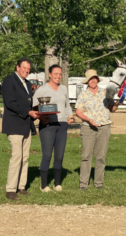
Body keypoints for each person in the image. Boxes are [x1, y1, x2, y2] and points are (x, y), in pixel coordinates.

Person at [2, 57, 39, 200]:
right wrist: (27, 112)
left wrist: (35, 113)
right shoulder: (9, 81)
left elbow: (28, 104)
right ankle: (10, 189)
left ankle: (21, 186)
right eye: (24, 67)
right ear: (17, 67)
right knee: (16, 157)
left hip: (26, 125)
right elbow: (10, 103)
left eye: (29, 68)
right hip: (14, 124)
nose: (27, 70)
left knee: (25, 157)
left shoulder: (28, 83)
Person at [33, 64, 75, 192]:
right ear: (49, 74)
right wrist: (42, 118)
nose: (58, 76)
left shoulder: (64, 89)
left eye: (60, 74)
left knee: (59, 155)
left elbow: (67, 105)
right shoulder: (42, 90)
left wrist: (71, 116)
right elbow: (35, 107)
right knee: (46, 155)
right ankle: (44, 185)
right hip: (47, 125)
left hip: (62, 125)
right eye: (55, 73)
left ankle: (57, 184)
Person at [75, 69, 119, 190]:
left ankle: (99, 183)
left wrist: (116, 104)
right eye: (90, 79)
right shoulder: (83, 95)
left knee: (101, 156)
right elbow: (78, 112)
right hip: (88, 128)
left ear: (97, 80)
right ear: (87, 82)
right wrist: (89, 120)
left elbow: (112, 109)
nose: (93, 81)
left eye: (94, 78)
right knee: (86, 156)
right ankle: (84, 184)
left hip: (104, 127)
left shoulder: (105, 93)